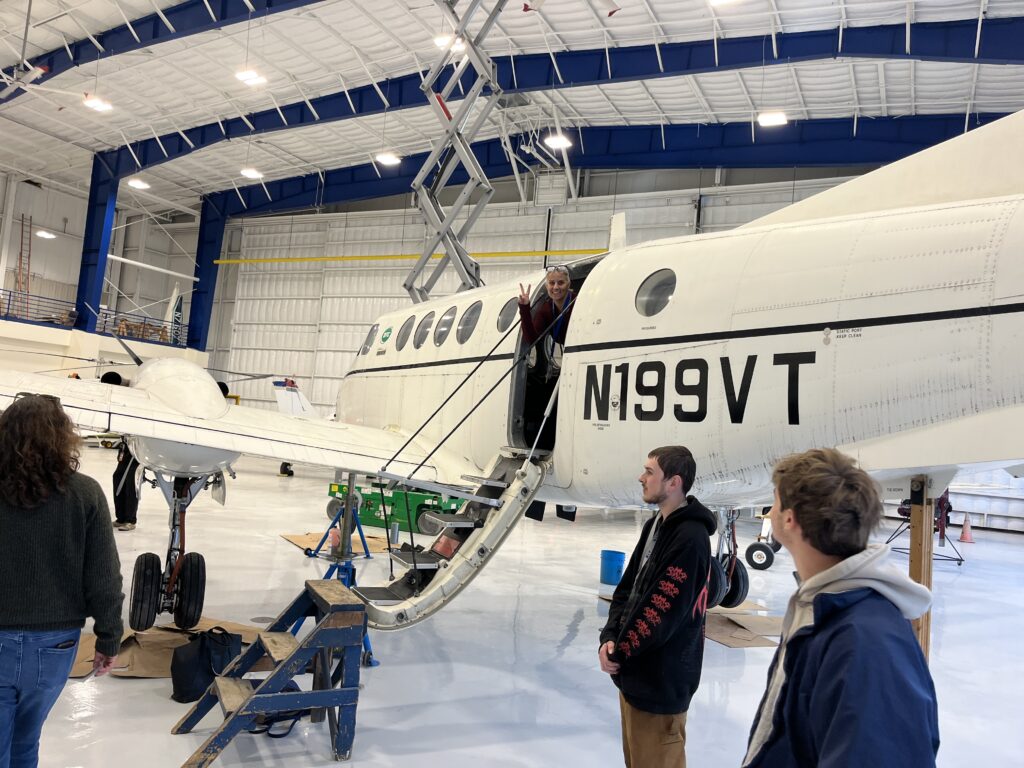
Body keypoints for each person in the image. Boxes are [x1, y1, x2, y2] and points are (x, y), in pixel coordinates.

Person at [743, 448, 939, 767]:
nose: (769, 511)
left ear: (790, 519)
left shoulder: (865, 643)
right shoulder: (823, 609)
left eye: (774, 502)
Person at [0, 394, 124, 768]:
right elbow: (104, 575)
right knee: (26, 739)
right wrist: (109, 637)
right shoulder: (85, 493)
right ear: (61, 437)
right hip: (56, 642)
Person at [598, 446, 716, 768]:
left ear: (673, 482)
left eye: (650, 472)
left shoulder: (691, 538)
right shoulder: (654, 526)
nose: (642, 478)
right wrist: (609, 638)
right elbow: (627, 589)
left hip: (660, 688)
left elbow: (661, 612)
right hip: (634, 679)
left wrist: (620, 653)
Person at [112, 437, 140, 531]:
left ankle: (130, 520)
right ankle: (121, 518)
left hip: (137, 451)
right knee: (117, 479)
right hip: (127, 447)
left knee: (131, 485)